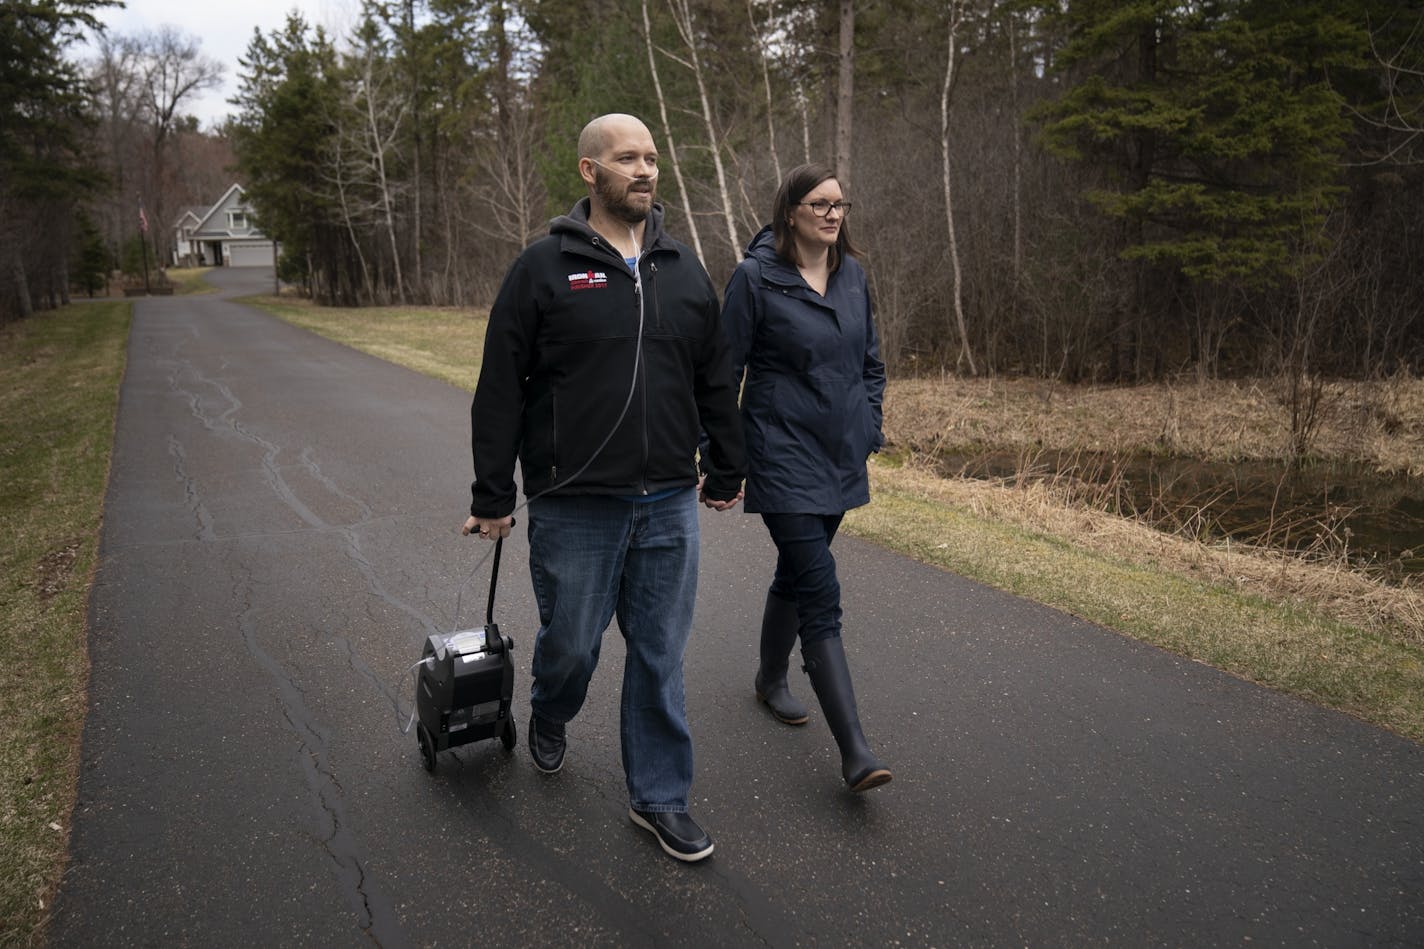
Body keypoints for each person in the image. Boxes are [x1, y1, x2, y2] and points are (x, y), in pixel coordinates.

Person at [462, 113, 747, 862]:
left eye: (653, 157)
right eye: (628, 158)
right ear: (591, 171)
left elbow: (714, 375)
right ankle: (551, 711)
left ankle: (660, 798)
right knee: (573, 649)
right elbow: (500, 387)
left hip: (666, 503)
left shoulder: (683, 268)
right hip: (575, 503)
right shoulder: (543, 268)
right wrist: (493, 495)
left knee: (659, 654)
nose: (646, 170)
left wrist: (726, 463)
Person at [718, 163, 892, 792]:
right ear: (790, 211)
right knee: (820, 589)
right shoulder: (755, 279)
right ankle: (856, 752)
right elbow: (723, 372)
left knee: (798, 568)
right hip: (782, 454)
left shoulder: (853, 277)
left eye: (841, 204)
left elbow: (872, 363)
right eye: (819, 204)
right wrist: (724, 459)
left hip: (842, 454)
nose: (832, 214)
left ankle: (769, 679)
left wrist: (869, 424)